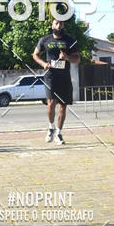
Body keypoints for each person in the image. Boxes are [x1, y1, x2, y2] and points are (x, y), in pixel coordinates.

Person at [33, 15, 80, 144]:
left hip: (64, 77)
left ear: (64, 26)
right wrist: (43, 64)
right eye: (56, 23)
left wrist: (67, 57)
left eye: (61, 23)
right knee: (51, 103)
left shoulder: (70, 41)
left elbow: (77, 59)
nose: (59, 26)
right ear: (52, 25)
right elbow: (35, 55)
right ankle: (51, 127)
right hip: (50, 76)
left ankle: (58, 133)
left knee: (63, 107)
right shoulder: (44, 40)